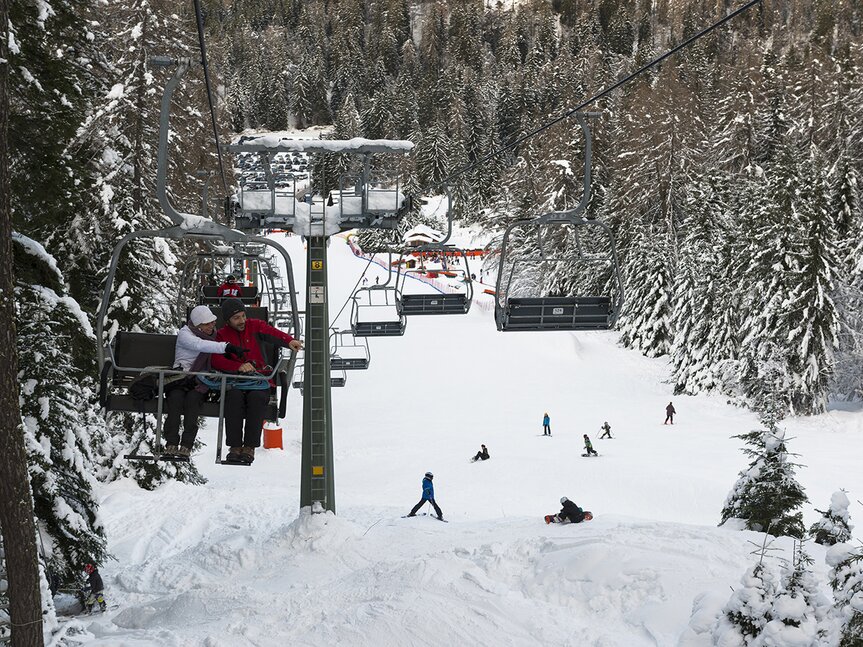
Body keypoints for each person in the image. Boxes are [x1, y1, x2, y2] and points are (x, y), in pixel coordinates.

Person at [211, 298, 303, 464]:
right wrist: (238, 366)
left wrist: (289, 340)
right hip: (236, 380)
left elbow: (273, 333)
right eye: (236, 318)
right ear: (228, 320)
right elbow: (216, 360)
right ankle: (234, 446)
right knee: (233, 398)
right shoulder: (222, 336)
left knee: (257, 398)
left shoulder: (255, 326)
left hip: (259, 379)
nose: (242, 321)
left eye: (243, 316)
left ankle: (250, 447)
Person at [163, 306, 246, 459]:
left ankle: (187, 445)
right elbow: (199, 345)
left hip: (199, 381)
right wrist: (227, 347)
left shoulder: (213, 335)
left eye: (212, 323)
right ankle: (171, 442)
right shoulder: (185, 334)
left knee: (193, 400)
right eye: (207, 324)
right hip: (180, 379)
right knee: (175, 399)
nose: (211, 326)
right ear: (197, 325)